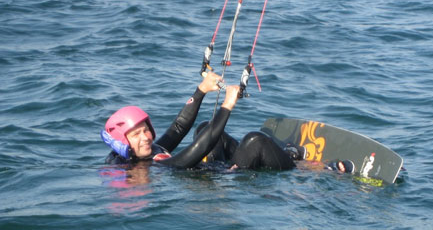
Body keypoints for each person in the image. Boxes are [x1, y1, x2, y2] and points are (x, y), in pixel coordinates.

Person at [101, 72, 294, 170]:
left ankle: (274, 155)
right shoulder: (154, 168)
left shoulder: (150, 152)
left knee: (203, 127)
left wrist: (201, 90)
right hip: (231, 179)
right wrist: (227, 105)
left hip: (214, 171)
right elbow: (202, 147)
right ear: (122, 144)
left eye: (146, 130)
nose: (145, 137)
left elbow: (179, 126)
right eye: (136, 135)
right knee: (255, 141)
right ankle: (302, 168)